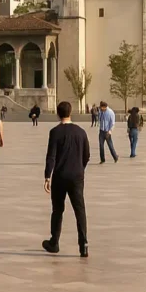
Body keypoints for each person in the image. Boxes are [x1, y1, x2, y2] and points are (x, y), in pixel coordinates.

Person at [42, 101, 89, 258]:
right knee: (79, 210)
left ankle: (54, 242)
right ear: (71, 112)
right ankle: (83, 245)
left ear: (58, 113)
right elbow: (87, 155)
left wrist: (47, 176)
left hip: (60, 176)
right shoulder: (81, 132)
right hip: (77, 176)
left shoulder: (55, 132)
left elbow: (51, 156)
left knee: (57, 210)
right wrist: (80, 168)